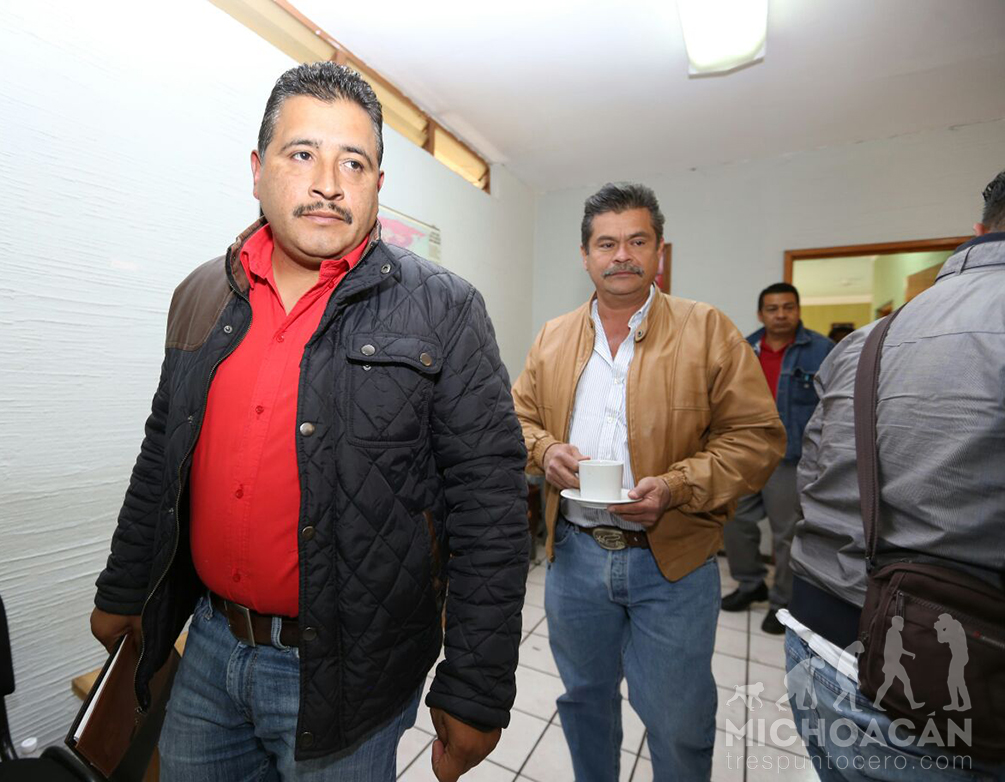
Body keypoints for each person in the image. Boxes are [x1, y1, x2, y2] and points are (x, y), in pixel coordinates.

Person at [89, 62, 529, 782]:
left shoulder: (444, 310)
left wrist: (476, 686)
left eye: (352, 162)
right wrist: (122, 587)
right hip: (207, 648)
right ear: (256, 170)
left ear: (377, 184)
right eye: (302, 154)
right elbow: (160, 456)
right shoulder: (200, 296)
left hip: (351, 674)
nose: (328, 182)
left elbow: (490, 507)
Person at [511, 182, 785, 781]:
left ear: (660, 250)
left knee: (677, 721)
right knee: (585, 701)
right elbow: (518, 418)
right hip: (575, 558)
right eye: (606, 244)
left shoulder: (707, 329)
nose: (622, 256)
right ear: (585, 255)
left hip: (672, 561)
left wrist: (676, 487)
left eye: (637, 241)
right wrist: (545, 449)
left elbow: (757, 438)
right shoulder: (553, 336)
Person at [781, 168, 1005, 778]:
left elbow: (814, 472)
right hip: (942, 668)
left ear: (978, 230)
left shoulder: (865, 339)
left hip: (823, 640)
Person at [721, 283, 833, 634]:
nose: (781, 315)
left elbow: (834, 406)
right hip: (745, 452)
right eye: (772, 309)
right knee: (733, 521)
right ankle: (750, 582)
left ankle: (782, 601)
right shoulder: (743, 348)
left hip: (790, 457)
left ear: (798, 310)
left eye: (788, 307)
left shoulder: (821, 350)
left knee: (786, 533)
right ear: (761, 314)